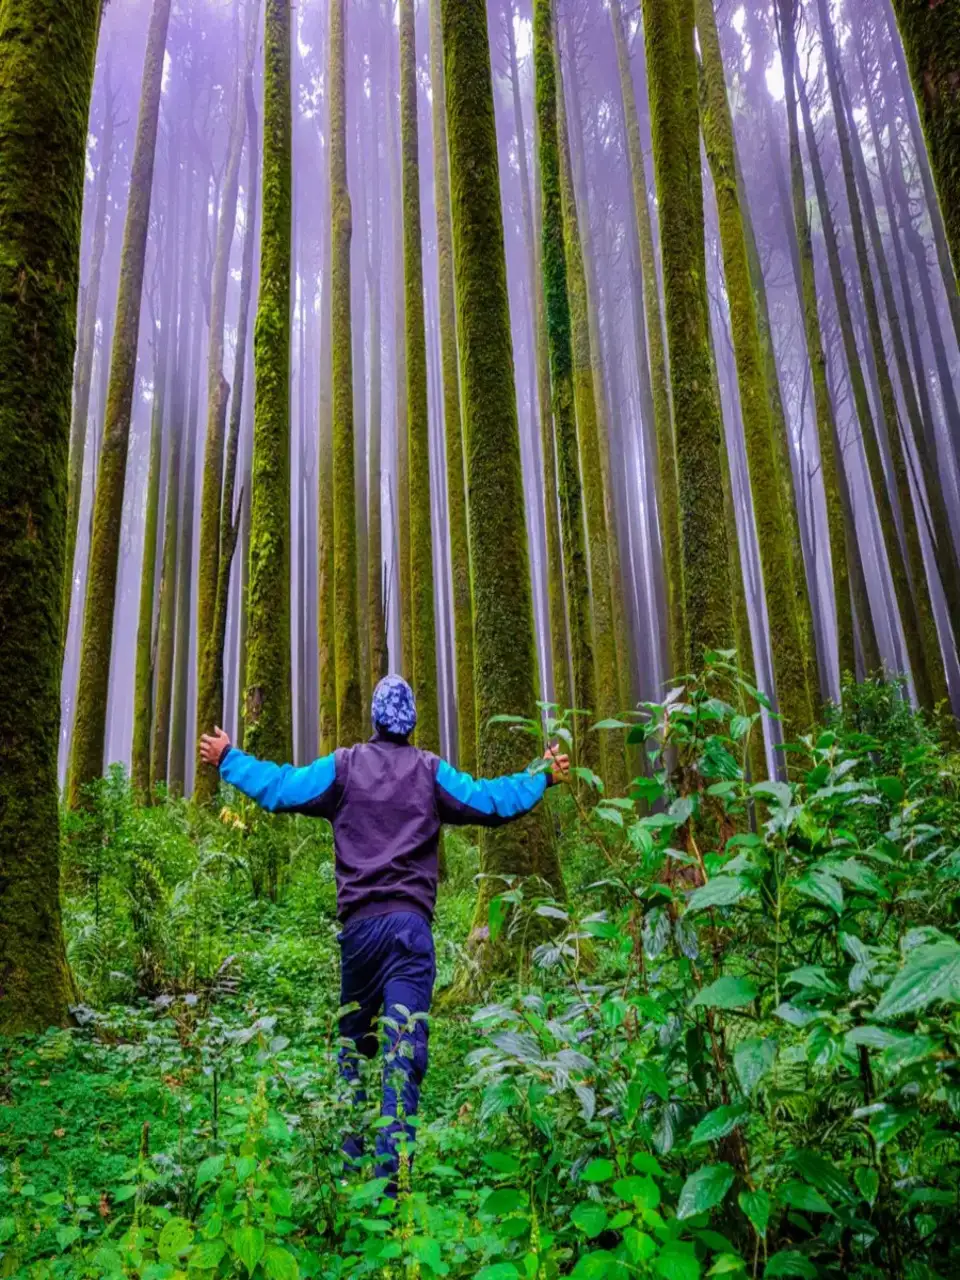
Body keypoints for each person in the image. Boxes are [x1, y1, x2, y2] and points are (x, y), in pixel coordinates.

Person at [199, 674, 568, 1187]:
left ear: (374, 720)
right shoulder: (429, 771)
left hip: (360, 937)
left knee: (352, 1046)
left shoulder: (344, 767)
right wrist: (541, 776)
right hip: (410, 935)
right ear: (412, 723)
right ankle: (391, 1185)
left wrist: (229, 759)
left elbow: (283, 788)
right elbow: (487, 801)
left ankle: (349, 1164)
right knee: (403, 1049)